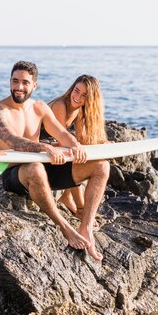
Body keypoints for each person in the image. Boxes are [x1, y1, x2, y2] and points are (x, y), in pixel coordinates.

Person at [0, 61, 110, 261]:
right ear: (10, 81)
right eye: (15, 81)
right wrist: (46, 147)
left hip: (44, 169)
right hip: (15, 175)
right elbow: (12, 140)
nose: (19, 87)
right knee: (35, 168)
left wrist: (75, 145)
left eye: (25, 83)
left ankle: (86, 227)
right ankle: (65, 227)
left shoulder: (40, 108)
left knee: (101, 166)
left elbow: (62, 133)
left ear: (34, 85)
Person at [46, 75, 107, 224]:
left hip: (53, 151)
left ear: (91, 99)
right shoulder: (60, 105)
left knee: (77, 152)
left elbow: (82, 139)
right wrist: (76, 147)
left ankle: (67, 197)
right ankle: (80, 208)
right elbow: (62, 140)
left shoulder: (79, 109)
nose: (78, 97)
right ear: (72, 88)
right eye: (76, 90)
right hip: (40, 151)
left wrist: (102, 143)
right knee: (72, 154)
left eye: (84, 95)